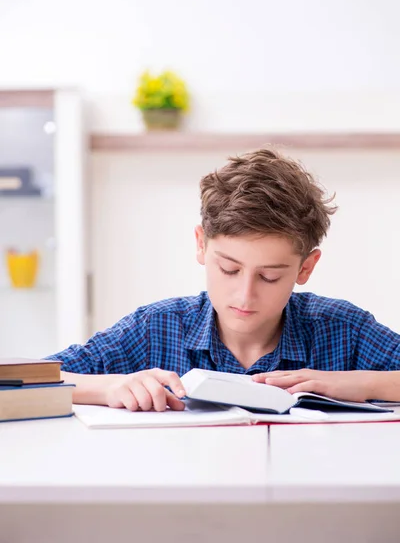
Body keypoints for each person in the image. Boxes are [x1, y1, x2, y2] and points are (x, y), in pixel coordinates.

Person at [45, 148, 400, 411]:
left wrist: (362, 382)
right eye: (229, 269)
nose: (245, 295)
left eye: (270, 276)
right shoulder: (156, 329)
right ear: (201, 245)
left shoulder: (342, 330)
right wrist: (108, 388)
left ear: (305, 268)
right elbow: (20, 381)